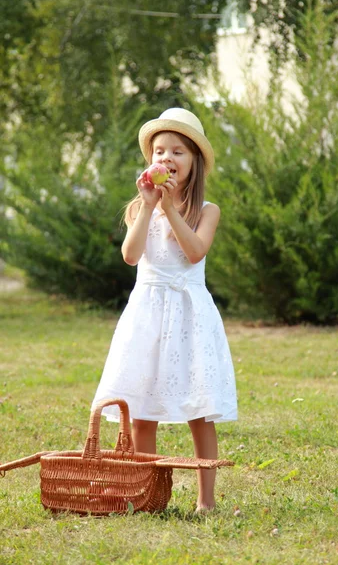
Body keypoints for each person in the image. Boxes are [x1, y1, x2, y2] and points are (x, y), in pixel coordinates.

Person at [92, 108, 237, 511]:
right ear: (150, 162)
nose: (166, 158)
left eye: (178, 151)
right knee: (141, 408)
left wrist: (171, 208)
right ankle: (147, 497)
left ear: (195, 163)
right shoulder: (141, 208)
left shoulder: (207, 210)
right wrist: (149, 204)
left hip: (190, 317)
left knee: (199, 408)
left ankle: (206, 501)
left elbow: (194, 253)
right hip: (147, 315)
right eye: (159, 152)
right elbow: (130, 255)